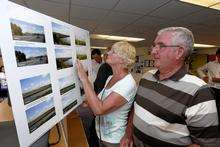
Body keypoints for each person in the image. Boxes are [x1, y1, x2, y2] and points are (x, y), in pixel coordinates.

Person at [120, 27, 220, 147]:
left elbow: (208, 144)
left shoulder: (199, 92)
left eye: (161, 46)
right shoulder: (147, 76)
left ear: (179, 52)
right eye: (154, 46)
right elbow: (137, 108)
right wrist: (128, 133)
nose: (153, 51)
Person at [76, 41, 137, 147]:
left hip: (113, 139)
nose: (107, 52)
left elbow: (99, 109)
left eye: (113, 51)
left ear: (122, 59)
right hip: (100, 134)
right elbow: (99, 100)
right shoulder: (110, 77)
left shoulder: (128, 83)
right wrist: (86, 103)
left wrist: (84, 78)